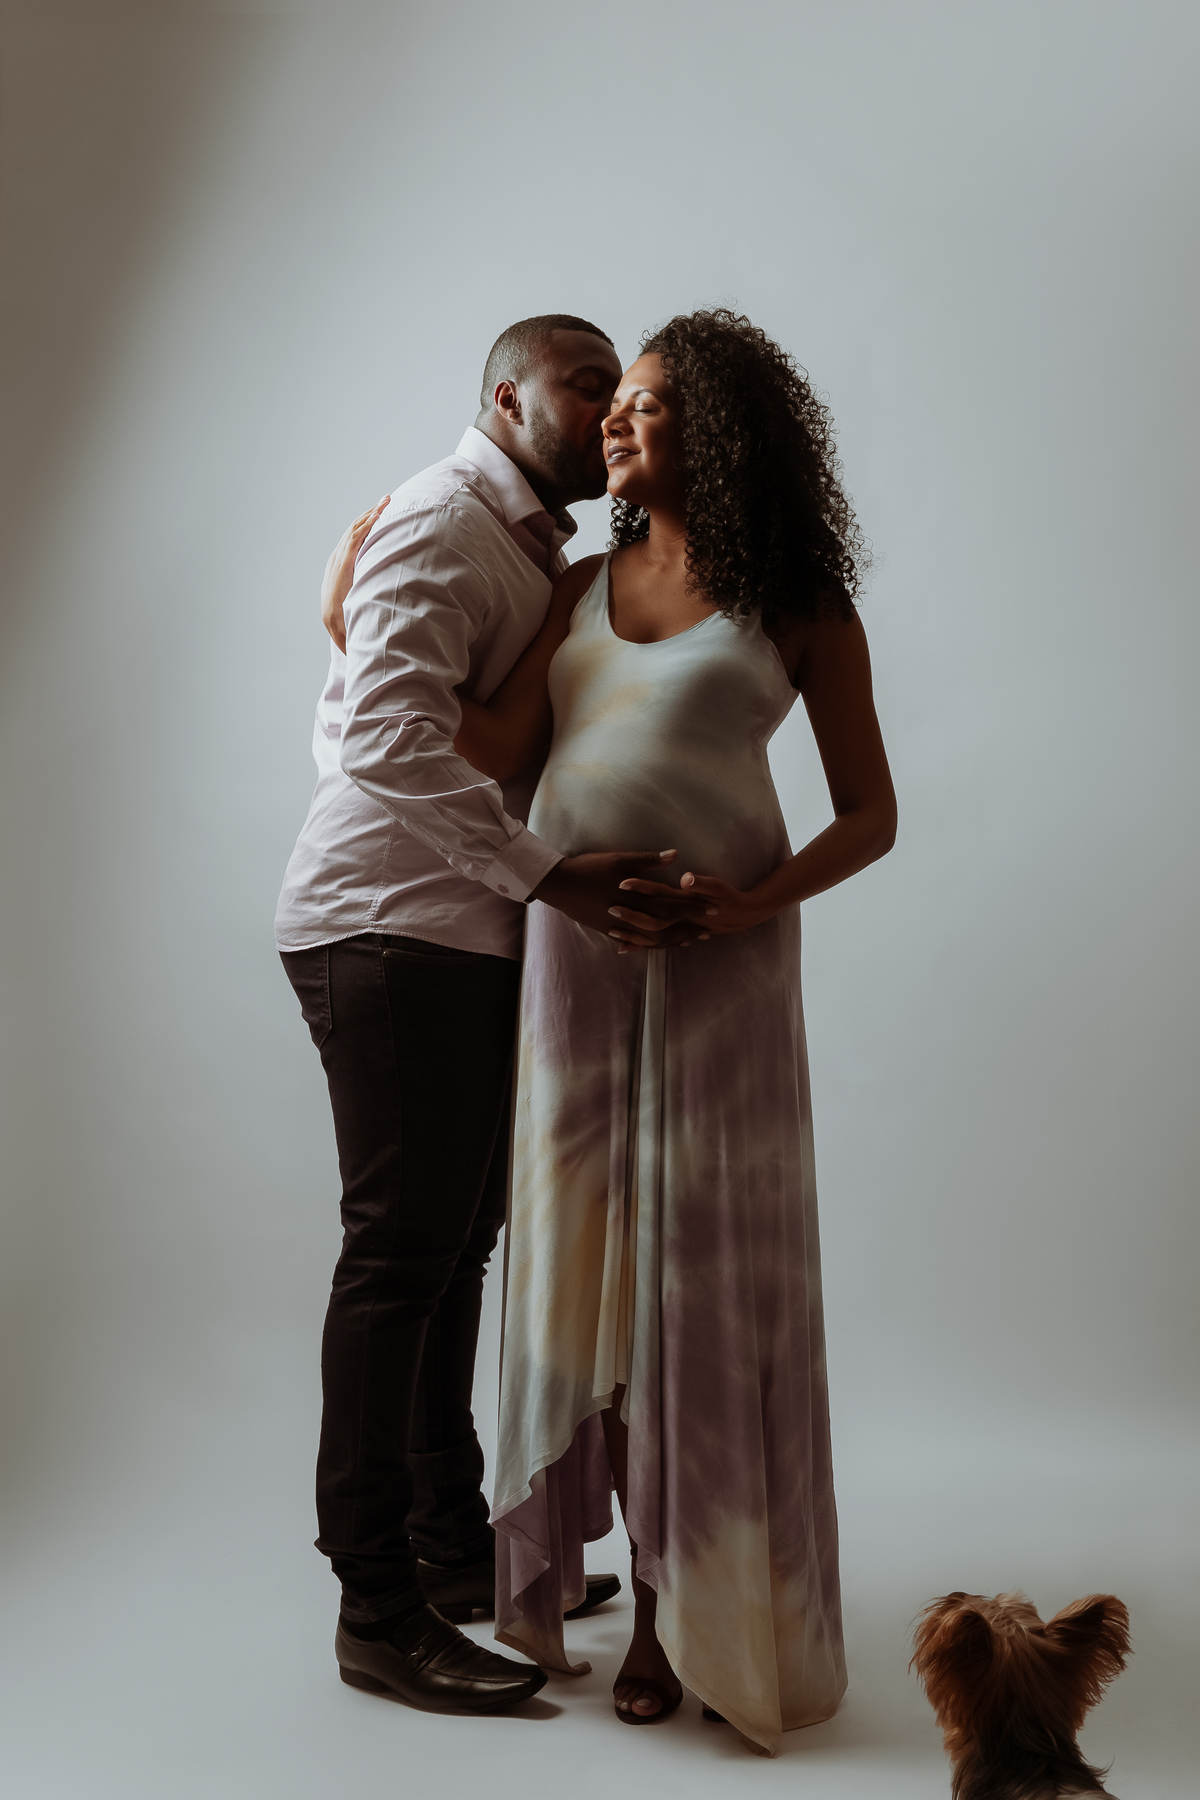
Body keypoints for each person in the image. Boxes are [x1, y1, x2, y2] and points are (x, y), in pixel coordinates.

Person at [447, 308, 897, 1754]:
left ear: (724, 427)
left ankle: (671, 1613)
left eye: (648, 402)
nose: (618, 422)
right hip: (573, 970)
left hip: (724, 975)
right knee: (591, 1265)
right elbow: (489, 747)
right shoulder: (577, 583)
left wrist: (754, 902)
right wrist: (356, 612)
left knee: (690, 1285)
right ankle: (609, 1579)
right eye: (614, 403)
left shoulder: (799, 600)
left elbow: (872, 811)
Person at [275, 315, 702, 1715]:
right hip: (389, 925)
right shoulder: (444, 517)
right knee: (399, 1259)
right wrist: (549, 874)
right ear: (505, 395)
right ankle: (377, 1610)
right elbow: (381, 738)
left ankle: (452, 1551)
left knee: (452, 1250)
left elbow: (395, 703)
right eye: (585, 384)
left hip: (451, 930)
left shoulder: (524, 546)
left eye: (621, 390)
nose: (607, 409)